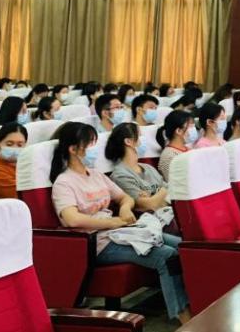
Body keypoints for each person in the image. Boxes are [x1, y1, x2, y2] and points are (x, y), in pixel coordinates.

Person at [50, 122, 190, 324]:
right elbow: (72, 219)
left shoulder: (95, 175)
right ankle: (183, 316)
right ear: (73, 149)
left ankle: (194, 301)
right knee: (166, 255)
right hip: (97, 243)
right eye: (90, 144)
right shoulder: (64, 182)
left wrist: (124, 208)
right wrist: (114, 221)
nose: (94, 150)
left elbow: (125, 198)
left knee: (182, 246)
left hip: (120, 231)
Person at [106, 122, 170, 212]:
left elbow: (172, 191)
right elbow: (149, 205)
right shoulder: (120, 175)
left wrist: (154, 197)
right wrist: (163, 191)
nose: (143, 140)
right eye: (140, 136)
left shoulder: (148, 167)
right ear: (128, 142)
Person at [0, 121, 28, 199]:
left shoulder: (26, 163)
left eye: (20, 145)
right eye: (9, 144)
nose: (15, 148)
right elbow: (25, 197)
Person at [157, 111, 197, 181]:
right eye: (190, 127)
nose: (194, 130)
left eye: (193, 126)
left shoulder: (189, 149)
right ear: (178, 131)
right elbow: (176, 183)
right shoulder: (169, 156)